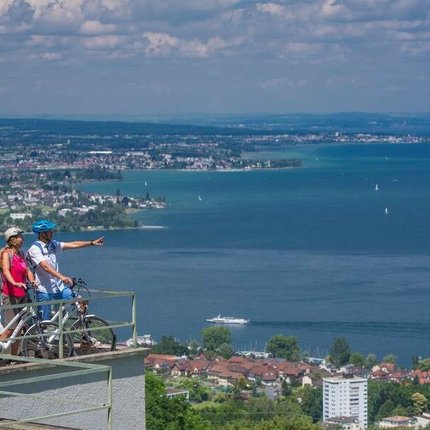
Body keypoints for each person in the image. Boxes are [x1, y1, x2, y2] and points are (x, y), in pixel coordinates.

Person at [27, 219, 104, 320]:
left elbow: (72, 244)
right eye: (49, 231)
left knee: (80, 300)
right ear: (42, 233)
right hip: (44, 289)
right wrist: (62, 277)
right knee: (44, 322)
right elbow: (45, 266)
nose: (52, 233)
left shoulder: (52, 244)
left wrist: (91, 243)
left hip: (58, 287)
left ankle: (80, 326)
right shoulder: (35, 249)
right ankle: (44, 334)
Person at [0, 226, 36, 355]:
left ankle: (14, 358)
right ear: (13, 240)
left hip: (22, 294)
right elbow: (6, 270)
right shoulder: (6, 253)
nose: (23, 239)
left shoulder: (20, 254)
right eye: (20, 237)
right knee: (10, 329)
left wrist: (32, 280)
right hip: (10, 295)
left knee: (19, 330)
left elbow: (27, 270)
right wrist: (14, 282)